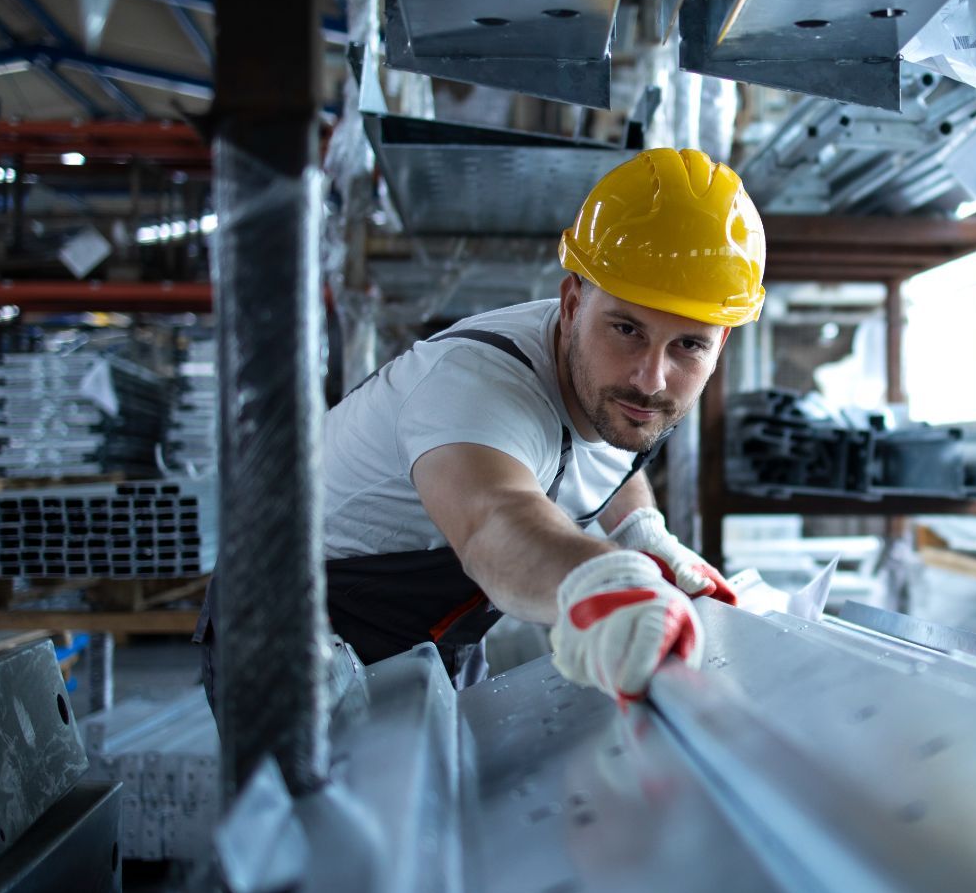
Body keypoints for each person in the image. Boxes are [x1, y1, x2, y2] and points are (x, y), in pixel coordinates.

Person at [200, 146, 763, 704]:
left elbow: (610, 456)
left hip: (439, 629)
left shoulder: (615, 391)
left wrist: (641, 532)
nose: (651, 380)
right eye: (627, 330)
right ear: (571, 304)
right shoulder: (474, 390)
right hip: (298, 633)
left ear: (721, 345)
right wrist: (603, 579)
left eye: (689, 345)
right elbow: (494, 522)